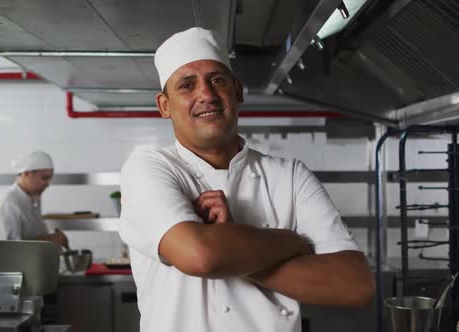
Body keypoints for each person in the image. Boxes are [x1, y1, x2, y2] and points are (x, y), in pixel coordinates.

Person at [118, 27, 375, 332]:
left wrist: (231, 243)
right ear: (164, 105)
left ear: (237, 92)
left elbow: (355, 285)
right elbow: (201, 256)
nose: (206, 94)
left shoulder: (290, 176)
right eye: (187, 85)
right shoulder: (149, 167)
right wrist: (291, 241)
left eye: (217, 80)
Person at [0, 150, 68, 248]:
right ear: (26, 174)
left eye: (49, 179)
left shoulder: (28, 201)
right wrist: (50, 239)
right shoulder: (8, 204)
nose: (47, 184)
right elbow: (7, 249)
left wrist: (51, 239)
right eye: (44, 178)